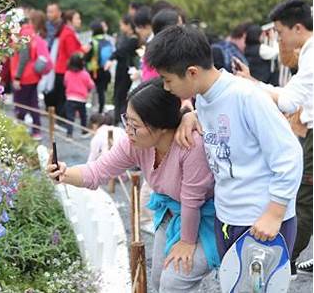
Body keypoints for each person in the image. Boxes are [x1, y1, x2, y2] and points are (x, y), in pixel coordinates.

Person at [146, 26, 302, 264]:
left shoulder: (247, 97)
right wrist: (191, 114)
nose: (166, 87)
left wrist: (275, 212)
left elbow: (289, 154)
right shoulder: (206, 99)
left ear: (191, 72)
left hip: (262, 221)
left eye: (167, 80)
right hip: (228, 216)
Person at [47, 78, 220, 292]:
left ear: (162, 127)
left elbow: (192, 202)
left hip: (209, 220)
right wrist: (64, 173)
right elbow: (97, 171)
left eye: (135, 125)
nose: (128, 130)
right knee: (157, 280)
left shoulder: (190, 145)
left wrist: (187, 242)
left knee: (174, 281)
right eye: (126, 121)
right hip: (174, 212)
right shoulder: (135, 143)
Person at [234, 0, 313, 277]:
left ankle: (284, 262)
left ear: (298, 27)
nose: (279, 38)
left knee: (303, 201)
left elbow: (289, 100)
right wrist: (254, 84)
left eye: (280, 32)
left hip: (311, 134)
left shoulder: (311, 52)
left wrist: (250, 87)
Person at [10, 10, 50, 140]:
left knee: (20, 104)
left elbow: (24, 57)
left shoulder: (24, 33)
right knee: (33, 103)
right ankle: (36, 130)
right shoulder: (33, 33)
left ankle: (19, 131)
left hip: (24, 76)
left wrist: (17, 77)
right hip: (33, 75)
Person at [104, 14, 139, 124]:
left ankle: (119, 120)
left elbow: (121, 51)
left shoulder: (134, 39)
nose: (120, 27)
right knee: (118, 94)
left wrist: (111, 58)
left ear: (128, 25)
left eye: (121, 25)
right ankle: (117, 119)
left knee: (121, 95)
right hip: (122, 70)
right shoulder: (127, 38)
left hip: (126, 71)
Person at [64, 53, 95, 138]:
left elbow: (65, 83)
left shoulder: (67, 73)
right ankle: (84, 131)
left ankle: (69, 134)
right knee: (83, 116)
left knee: (70, 117)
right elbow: (91, 85)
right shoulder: (85, 74)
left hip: (70, 98)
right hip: (81, 99)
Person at [85, 20, 113, 113]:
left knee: (91, 90)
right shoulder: (107, 41)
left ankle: (90, 109)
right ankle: (101, 110)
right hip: (105, 69)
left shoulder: (93, 42)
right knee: (102, 92)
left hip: (94, 70)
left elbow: (87, 57)